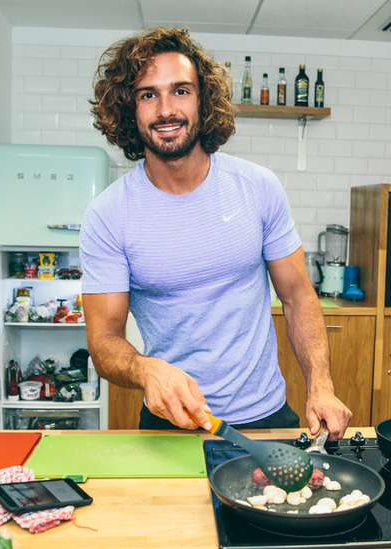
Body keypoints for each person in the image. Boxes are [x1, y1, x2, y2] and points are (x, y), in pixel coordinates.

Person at [80, 27, 351, 440]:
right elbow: (103, 340)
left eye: (181, 91)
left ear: (203, 100)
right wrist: (144, 367)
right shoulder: (108, 215)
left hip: (266, 418)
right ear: (130, 110)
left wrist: (321, 385)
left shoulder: (258, 187)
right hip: (171, 423)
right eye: (148, 94)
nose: (166, 109)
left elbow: (297, 296)